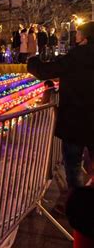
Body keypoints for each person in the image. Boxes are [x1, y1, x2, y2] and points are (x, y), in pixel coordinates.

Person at [28, 21, 94, 190]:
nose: (75, 35)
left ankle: (79, 204)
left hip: (75, 120)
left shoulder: (77, 56)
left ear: (85, 37)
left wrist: (32, 59)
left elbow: (46, 71)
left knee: (73, 166)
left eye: (78, 32)